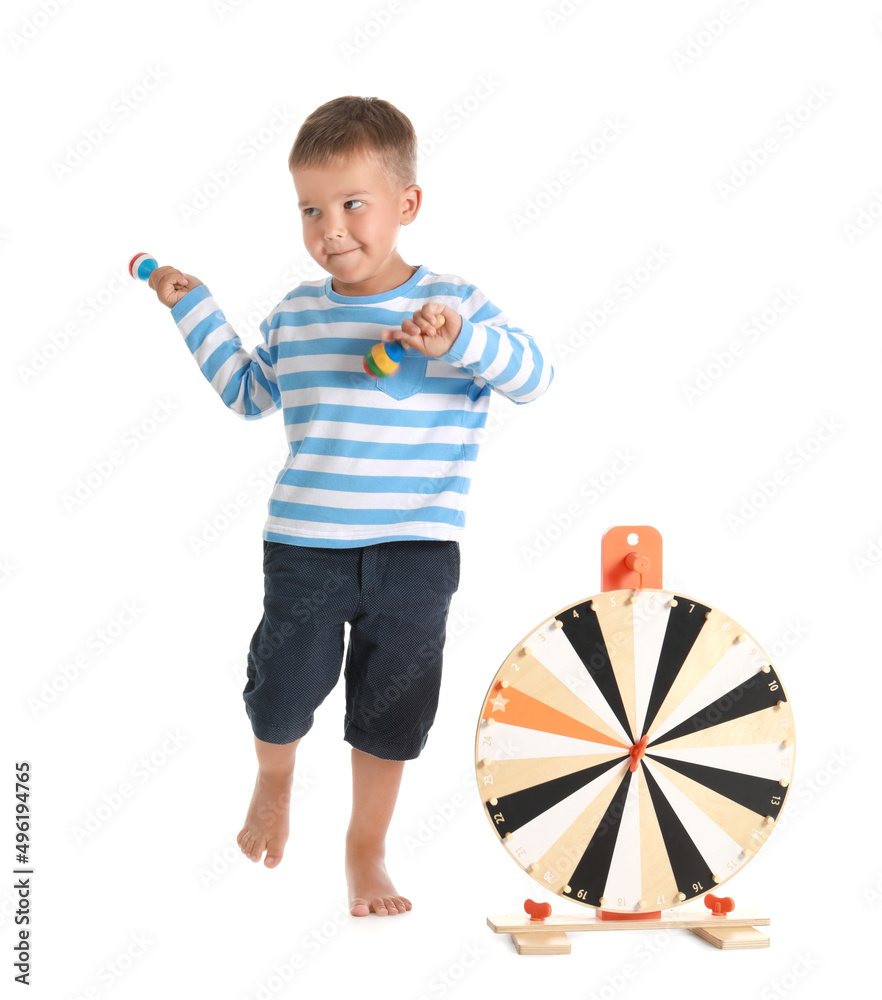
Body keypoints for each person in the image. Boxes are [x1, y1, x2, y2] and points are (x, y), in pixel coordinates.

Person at [147, 95, 553, 917]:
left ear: (406, 205)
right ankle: (274, 781)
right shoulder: (297, 313)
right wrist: (194, 310)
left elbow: (534, 377)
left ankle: (365, 847)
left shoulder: (451, 303)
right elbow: (246, 391)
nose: (331, 228)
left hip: (416, 552)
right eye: (311, 209)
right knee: (281, 689)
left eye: (352, 205)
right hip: (306, 544)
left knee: (392, 707)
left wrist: (457, 342)